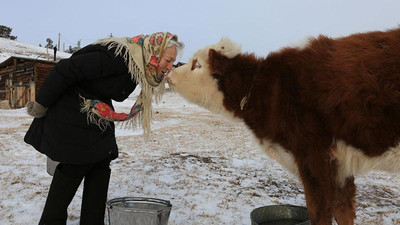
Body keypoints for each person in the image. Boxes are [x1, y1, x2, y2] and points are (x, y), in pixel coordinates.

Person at [24, 32, 184, 225]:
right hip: (73, 109)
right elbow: (66, 68)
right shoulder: (118, 57)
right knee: (75, 166)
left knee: (101, 165)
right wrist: (42, 104)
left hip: (96, 112)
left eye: (172, 62)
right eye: (167, 60)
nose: (169, 67)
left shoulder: (139, 63)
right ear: (155, 52)